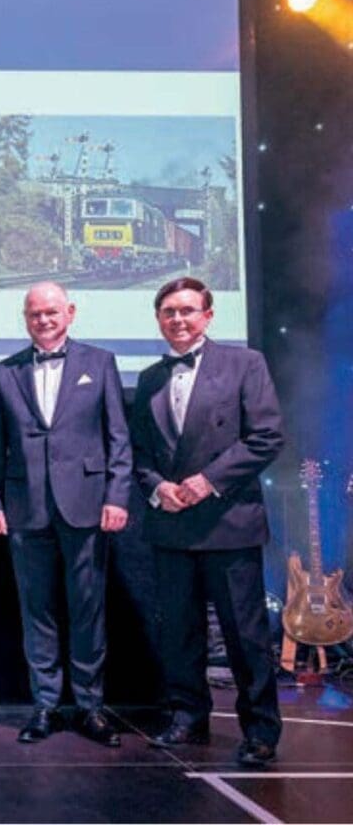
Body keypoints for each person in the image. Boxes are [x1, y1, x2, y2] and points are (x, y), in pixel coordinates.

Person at [130, 277, 284, 767]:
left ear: (208, 316)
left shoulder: (245, 364)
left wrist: (208, 481)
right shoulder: (149, 378)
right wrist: (158, 487)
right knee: (179, 632)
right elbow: (138, 453)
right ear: (159, 319)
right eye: (169, 312)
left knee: (245, 636)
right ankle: (187, 717)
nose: (178, 319)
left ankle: (260, 730)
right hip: (171, 525)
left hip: (228, 522)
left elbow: (266, 437)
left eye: (187, 310)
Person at [0, 282, 131, 747]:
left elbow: (118, 437)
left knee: (88, 609)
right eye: (34, 314)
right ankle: (45, 704)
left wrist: (118, 495)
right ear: (25, 318)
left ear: (70, 312)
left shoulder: (99, 363)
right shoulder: (3, 373)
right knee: (36, 611)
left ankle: (89, 705)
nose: (43, 320)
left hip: (87, 505)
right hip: (25, 509)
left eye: (51, 312)